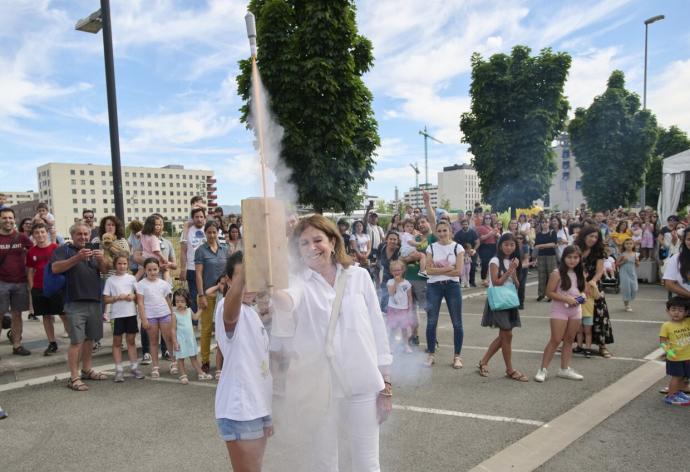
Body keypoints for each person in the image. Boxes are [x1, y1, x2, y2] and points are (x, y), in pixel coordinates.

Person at [272, 215, 392, 471]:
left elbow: (377, 329)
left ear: (333, 242)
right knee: (324, 462)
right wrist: (269, 286)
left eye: (318, 240)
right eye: (303, 243)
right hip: (318, 388)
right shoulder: (298, 282)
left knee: (367, 462)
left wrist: (386, 386)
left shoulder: (358, 277)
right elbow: (286, 300)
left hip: (361, 382)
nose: (312, 247)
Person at [215, 251, 273, 471]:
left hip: (258, 408)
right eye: (241, 278)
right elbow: (230, 316)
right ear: (229, 280)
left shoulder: (252, 312)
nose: (248, 285)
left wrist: (268, 413)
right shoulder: (227, 308)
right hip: (240, 411)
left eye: (252, 278)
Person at [51, 222, 109, 391]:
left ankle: (86, 369)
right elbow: (55, 268)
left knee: (90, 338)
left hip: (94, 301)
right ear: (72, 235)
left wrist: (101, 259)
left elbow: (105, 270)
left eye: (86, 234)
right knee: (76, 340)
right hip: (74, 301)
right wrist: (77, 258)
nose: (83, 237)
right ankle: (74, 377)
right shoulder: (63, 250)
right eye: (79, 234)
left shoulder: (93, 250)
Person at [477, 233, 526, 382]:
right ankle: (510, 370)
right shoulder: (495, 261)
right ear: (500, 245)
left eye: (512, 245)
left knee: (505, 335)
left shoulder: (512, 261)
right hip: (498, 301)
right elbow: (496, 282)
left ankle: (484, 361)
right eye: (506, 244)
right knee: (507, 335)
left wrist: (515, 273)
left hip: (509, 300)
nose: (509, 247)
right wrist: (510, 270)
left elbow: (517, 285)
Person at [534, 245, 585, 382]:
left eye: (575, 257)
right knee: (556, 340)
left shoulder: (581, 273)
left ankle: (564, 369)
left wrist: (579, 299)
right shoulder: (557, 273)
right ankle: (542, 369)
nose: (572, 260)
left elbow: (583, 292)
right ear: (563, 258)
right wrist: (566, 299)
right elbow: (549, 292)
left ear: (579, 259)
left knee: (569, 340)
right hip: (559, 310)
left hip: (576, 311)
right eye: (569, 257)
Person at [424, 220, 464, 368]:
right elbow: (427, 270)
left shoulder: (457, 247)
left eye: (444, 230)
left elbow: (459, 271)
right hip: (434, 286)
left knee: (457, 323)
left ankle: (457, 356)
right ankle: (431, 355)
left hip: (452, 286)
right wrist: (448, 269)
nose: (442, 234)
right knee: (431, 322)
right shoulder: (431, 248)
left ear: (450, 231)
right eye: (439, 231)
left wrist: (437, 270)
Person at [25, 222, 68, 356]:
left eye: (42, 232)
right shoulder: (31, 251)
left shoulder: (56, 248)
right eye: (37, 233)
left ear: (47, 233)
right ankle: (52, 342)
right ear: (33, 235)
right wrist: (32, 288)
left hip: (56, 287)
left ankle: (75, 340)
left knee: (63, 314)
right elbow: (30, 271)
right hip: (39, 288)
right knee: (46, 316)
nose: (40, 235)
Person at [195, 221, 230, 373]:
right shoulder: (200, 251)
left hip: (224, 295)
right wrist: (201, 294)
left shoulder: (225, 249)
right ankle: (205, 360)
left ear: (218, 233)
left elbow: (230, 272)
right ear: (205, 233)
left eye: (214, 232)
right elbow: (198, 274)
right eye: (209, 232)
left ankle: (224, 360)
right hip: (208, 294)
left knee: (224, 329)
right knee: (207, 329)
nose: (211, 235)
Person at [102, 255, 144, 382]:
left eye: (124, 263)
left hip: (130, 314)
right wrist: (117, 297)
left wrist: (133, 296)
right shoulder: (110, 280)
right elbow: (105, 299)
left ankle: (134, 367)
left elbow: (138, 295)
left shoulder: (132, 279)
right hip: (117, 315)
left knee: (131, 341)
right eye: (119, 263)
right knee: (117, 342)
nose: (122, 266)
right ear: (115, 265)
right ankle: (119, 370)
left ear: (128, 265)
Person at [575, 226, 614, 359]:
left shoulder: (598, 251)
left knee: (599, 315)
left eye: (596, 237)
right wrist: (582, 283)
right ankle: (577, 344)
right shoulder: (576, 249)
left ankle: (602, 346)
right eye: (590, 236)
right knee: (576, 316)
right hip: (577, 286)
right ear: (584, 235)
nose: (593, 239)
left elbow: (599, 271)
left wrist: (591, 282)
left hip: (594, 287)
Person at [136, 258, 177, 379]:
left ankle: (174, 363)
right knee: (153, 342)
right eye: (149, 270)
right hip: (150, 316)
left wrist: (171, 315)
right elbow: (140, 303)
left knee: (169, 339)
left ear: (159, 269)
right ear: (145, 270)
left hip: (164, 314)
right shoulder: (141, 284)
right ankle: (155, 366)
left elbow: (168, 301)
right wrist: (143, 319)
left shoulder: (164, 284)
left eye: (155, 269)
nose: (152, 272)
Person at [0, 208, 33, 356]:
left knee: (17, 315)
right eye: (5, 218)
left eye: (10, 218)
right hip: (1, 283)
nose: (8, 220)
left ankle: (17, 345)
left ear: (14, 219)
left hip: (20, 282)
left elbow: (34, 251)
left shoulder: (21, 237)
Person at [173, 288, 212, 384]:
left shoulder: (189, 310)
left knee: (193, 357)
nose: (180, 304)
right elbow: (172, 329)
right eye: (177, 301)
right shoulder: (174, 314)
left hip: (190, 339)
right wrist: (175, 342)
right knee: (180, 358)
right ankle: (183, 375)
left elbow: (195, 317)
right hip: (180, 339)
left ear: (187, 301)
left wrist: (201, 309)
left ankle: (201, 373)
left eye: (182, 301)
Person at [659, 297, 690, 406]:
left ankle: (678, 392)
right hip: (675, 358)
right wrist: (669, 352)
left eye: (681, 310)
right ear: (668, 311)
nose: (676, 313)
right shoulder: (666, 325)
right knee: (676, 377)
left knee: (683, 376)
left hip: (687, 356)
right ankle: (671, 396)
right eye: (673, 309)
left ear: (686, 312)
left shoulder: (688, 321)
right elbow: (662, 341)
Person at [179, 208, 206, 311]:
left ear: (204, 218)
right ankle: (194, 323)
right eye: (196, 217)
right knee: (194, 297)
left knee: (208, 296)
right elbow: (183, 252)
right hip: (192, 269)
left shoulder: (208, 230)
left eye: (201, 217)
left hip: (207, 269)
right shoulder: (186, 232)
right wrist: (183, 269)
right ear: (192, 218)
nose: (199, 219)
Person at [386, 260, 414, 354]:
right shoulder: (390, 282)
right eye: (394, 270)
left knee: (404, 328)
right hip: (393, 309)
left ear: (403, 270)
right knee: (393, 328)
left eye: (398, 270)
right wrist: (396, 283)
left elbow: (409, 297)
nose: (397, 272)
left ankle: (406, 345)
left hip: (403, 309)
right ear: (391, 272)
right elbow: (391, 293)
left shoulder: (407, 283)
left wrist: (410, 308)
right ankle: (391, 345)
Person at [377, 231, 401, 312]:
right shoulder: (382, 247)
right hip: (384, 279)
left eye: (395, 239)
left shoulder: (399, 251)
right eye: (390, 239)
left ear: (398, 241)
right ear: (386, 239)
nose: (392, 241)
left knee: (395, 305)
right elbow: (379, 261)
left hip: (397, 280)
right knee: (384, 304)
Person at [535, 219, 558, 302]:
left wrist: (542, 245)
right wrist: (546, 245)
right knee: (541, 276)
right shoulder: (538, 234)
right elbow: (536, 246)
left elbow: (553, 244)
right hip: (541, 256)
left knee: (551, 275)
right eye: (543, 222)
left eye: (546, 222)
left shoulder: (552, 232)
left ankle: (551, 295)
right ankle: (541, 294)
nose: (544, 224)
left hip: (551, 256)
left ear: (549, 224)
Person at [454, 218, 479, 287]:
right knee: (459, 267)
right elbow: (455, 244)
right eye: (463, 224)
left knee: (473, 266)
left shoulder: (473, 232)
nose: (465, 225)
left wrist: (474, 250)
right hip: (461, 253)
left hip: (471, 251)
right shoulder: (458, 234)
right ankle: (459, 282)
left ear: (468, 224)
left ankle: (472, 281)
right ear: (461, 225)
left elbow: (477, 242)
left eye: (466, 224)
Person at [617, 238, 639, 312]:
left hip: (632, 273)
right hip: (624, 272)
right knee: (626, 288)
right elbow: (617, 264)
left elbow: (637, 265)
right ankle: (627, 305)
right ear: (624, 245)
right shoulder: (622, 254)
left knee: (634, 288)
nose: (629, 245)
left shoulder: (635, 254)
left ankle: (628, 300)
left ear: (633, 245)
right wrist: (623, 261)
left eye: (630, 243)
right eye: (627, 244)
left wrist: (637, 261)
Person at [477, 214, 499, 287]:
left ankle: (490, 279)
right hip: (485, 246)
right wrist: (491, 233)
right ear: (484, 219)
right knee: (485, 263)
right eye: (486, 218)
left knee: (492, 263)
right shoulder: (481, 227)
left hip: (493, 246)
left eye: (489, 218)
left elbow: (497, 236)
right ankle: (483, 279)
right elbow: (481, 238)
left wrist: (497, 235)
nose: (488, 219)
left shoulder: (493, 227)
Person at [516, 232, 531, 310]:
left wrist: (521, 265)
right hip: (514, 268)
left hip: (523, 269)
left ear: (523, 239)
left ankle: (521, 303)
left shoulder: (525, 247)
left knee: (521, 286)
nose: (518, 240)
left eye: (520, 238)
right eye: (517, 238)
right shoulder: (512, 246)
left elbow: (526, 258)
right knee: (513, 286)